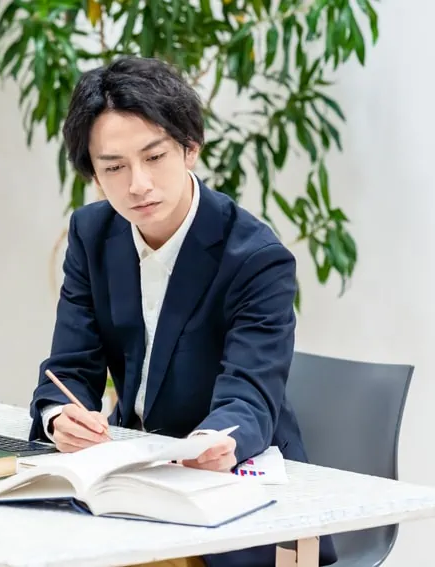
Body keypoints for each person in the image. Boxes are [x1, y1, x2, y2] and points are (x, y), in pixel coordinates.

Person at [27, 56, 337, 567]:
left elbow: (250, 394)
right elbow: (71, 366)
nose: (138, 184)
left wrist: (215, 441)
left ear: (190, 148)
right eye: (114, 167)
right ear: (94, 174)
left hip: (238, 497)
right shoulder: (91, 234)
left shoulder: (256, 257)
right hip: (131, 486)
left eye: (154, 157)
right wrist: (61, 416)